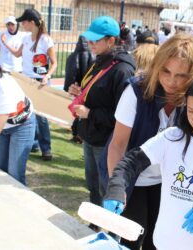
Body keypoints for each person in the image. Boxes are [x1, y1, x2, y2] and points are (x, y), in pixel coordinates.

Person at [103, 76, 193, 250]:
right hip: (164, 243)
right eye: (190, 110)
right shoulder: (171, 137)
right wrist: (116, 187)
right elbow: (130, 162)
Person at [99, 33, 193, 250]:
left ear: (192, 75)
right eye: (166, 71)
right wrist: (117, 187)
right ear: (157, 65)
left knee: (159, 239)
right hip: (130, 177)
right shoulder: (136, 91)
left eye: (181, 75)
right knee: (130, 237)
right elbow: (117, 145)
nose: (171, 81)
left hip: (164, 181)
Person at [67, 16, 135, 214]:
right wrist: (80, 93)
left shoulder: (122, 70)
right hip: (91, 136)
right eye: (89, 39)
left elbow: (122, 116)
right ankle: (96, 222)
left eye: (95, 40)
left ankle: (112, 231)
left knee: (109, 191)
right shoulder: (101, 61)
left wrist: (89, 113)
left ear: (111, 41)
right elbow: (97, 94)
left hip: (108, 142)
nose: (90, 44)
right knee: (93, 186)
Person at [5, 8, 57, 161]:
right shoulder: (26, 38)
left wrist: (47, 76)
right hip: (26, 80)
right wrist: (5, 44)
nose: (21, 24)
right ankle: (33, 144)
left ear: (32, 22)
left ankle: (46, 148)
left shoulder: (46, 40)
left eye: (23, 21)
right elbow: (17, 54)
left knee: (41, 116)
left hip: (40, 82)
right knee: (27, 113)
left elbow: (54, 63)